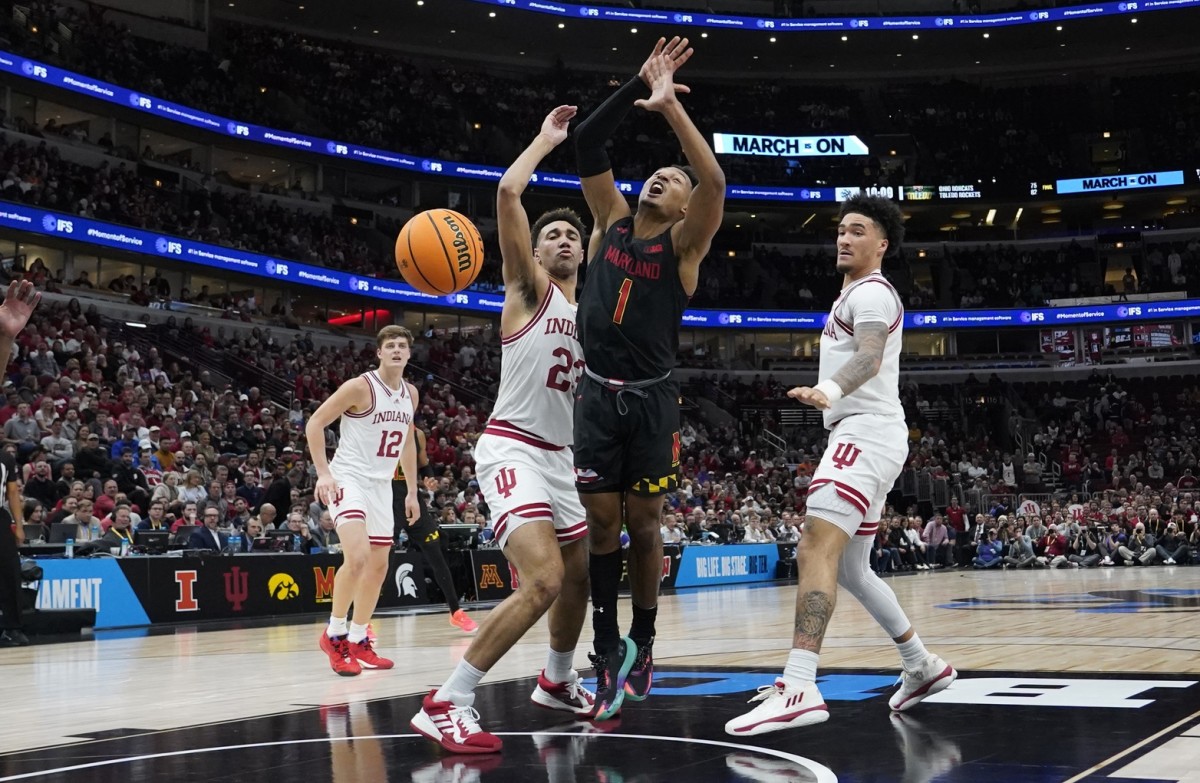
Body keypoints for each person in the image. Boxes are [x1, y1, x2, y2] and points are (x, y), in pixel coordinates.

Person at [726, 195, 956, 737]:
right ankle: (922, 665)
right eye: (841, 230)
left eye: (857, 231)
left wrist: (827, 390)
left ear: (882, 245)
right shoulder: (851, 294)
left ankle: (799, 685)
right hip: (871, 433)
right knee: (852, 569)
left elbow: (870, 355)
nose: (844, 238)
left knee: (814, 546)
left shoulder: (872, 292)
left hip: (864, 432)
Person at [412, 106, 593, 755]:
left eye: (572, 234)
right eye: (553, 234)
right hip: (513, 446)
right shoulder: (527, 291)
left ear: (585, 250)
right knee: (543, 580)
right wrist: (545, 140)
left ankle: (558, 680)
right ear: (536, 252)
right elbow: (509, 193)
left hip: (562, 458)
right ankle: (448, 699)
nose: (564, 239)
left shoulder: (592, 312)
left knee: (579, 576)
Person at [572, 36, 725, 720]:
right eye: (657, 174)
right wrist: (636, 83)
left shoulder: (683, 247)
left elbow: (715, 183)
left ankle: (645, 638)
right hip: (596, 394)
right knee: (603, 522)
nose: (661, 179)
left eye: (674, 180)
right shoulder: (609, 222)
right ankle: (606, 643)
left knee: (645, 519)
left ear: (687, 208)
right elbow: (586, 141)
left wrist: (669, 109)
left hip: (654, 398)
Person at [307, 326, 419, 676]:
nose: (397, 350)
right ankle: (334, 634)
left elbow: (407, 443)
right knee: (356, 558)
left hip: (382, 484)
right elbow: (315, 423)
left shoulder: (411, 393)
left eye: (402, 345)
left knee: (379, 567)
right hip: (349, 478)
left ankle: (358, 638)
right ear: (379, 353)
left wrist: (412, 491)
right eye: (391, 345)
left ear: (409, 353)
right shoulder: (360, 386)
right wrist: (324, 473)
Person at [392, 419, 476, 634]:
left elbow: (423, 464)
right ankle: (360, 621)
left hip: (412, 501)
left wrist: (429, 479)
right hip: (386, 501)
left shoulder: (417, 434)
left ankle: (456, 611)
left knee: (436, 552)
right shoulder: (378, 427)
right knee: (380, 559)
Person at [0, 281, 38, 646]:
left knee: (9, 571)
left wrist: (6, 338)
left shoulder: (4, 456)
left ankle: (12, 626)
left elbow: (12, 491)